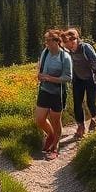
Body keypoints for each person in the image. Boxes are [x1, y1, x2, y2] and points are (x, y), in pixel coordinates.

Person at [34, 29, 73, 160]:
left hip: (58, 93)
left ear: (57, 42)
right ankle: (50, 135)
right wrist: (40, 76)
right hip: (44, 90)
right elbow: (41, 69)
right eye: (46, 41)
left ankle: (55, 147)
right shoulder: (45, 52)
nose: (46, 43)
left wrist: (50, 78)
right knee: (40, 119)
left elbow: (68, 77)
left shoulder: (65, 57)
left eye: (49, 41)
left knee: (56, 120)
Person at [61, 27, 96, 139]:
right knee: (77, 104)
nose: (64, 44)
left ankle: (94, 118)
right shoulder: (68, 50)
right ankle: (81, 126)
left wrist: (90, 68)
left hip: (90, 79)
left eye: (66, 42)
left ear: (73, 40)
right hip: (78, 79)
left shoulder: (85, 47)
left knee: (90, 102)